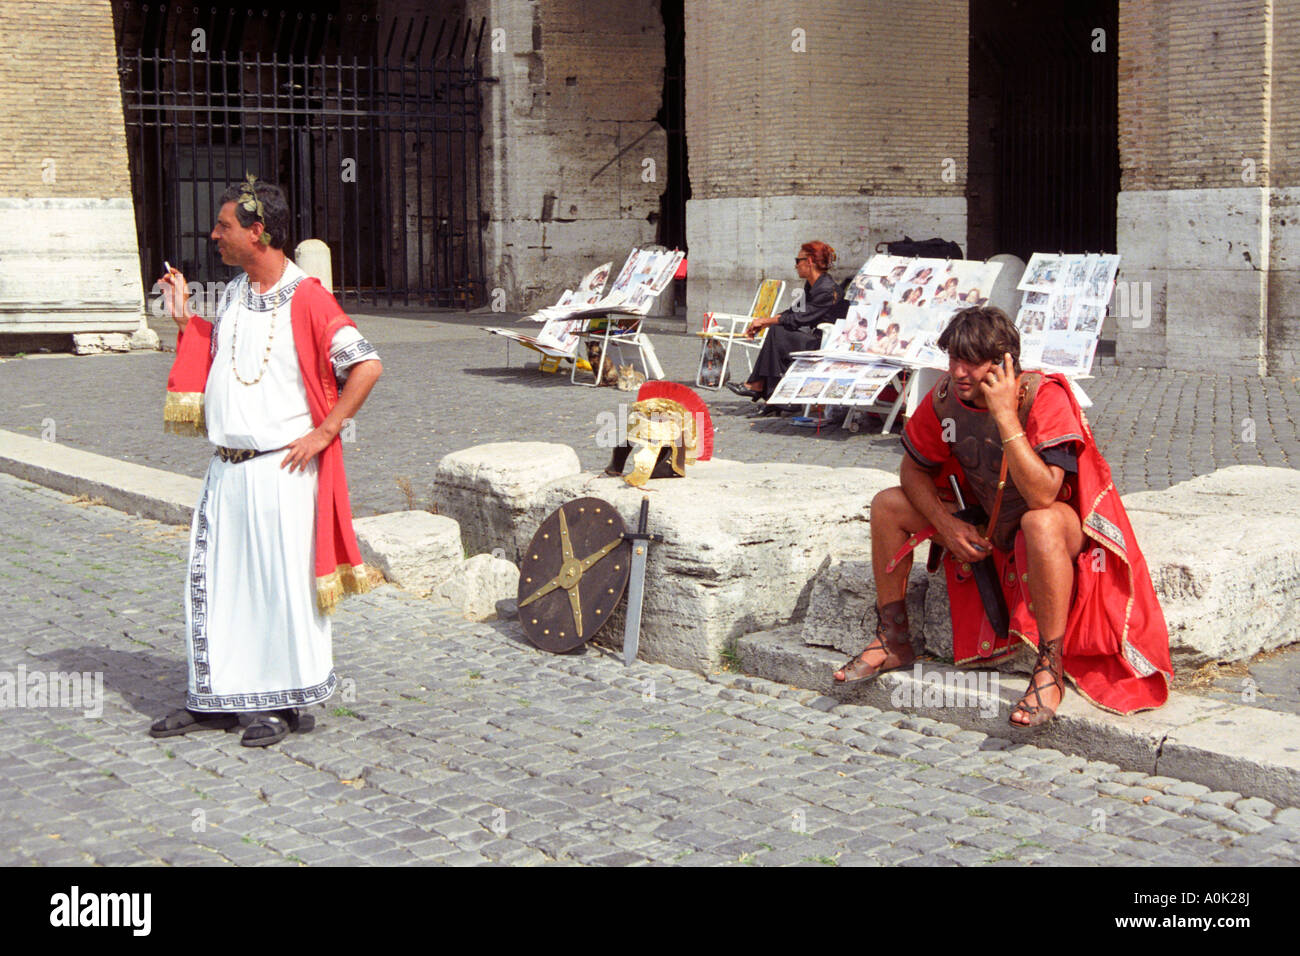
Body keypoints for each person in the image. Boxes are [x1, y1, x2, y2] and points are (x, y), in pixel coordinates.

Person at [832, 306, 1171, 727]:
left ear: (1004, 364)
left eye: (971, 361)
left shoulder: (1042, 396)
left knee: (1039, 521)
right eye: (954, 358)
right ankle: (894, 638)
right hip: (986, 524)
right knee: (888, 504)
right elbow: (913, 468)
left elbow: (1044, 493)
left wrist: (1006, 415)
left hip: (1050, 532)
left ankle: (1050, 666)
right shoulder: (944, 399)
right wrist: (945, 524)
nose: (958, 371)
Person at [150, 175, 383, 747]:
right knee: (219, 585)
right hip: (225, 470)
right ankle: (215, 698)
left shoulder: (308, 296)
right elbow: (226, 354)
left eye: (225, 226)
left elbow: (367, 365)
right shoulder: (234, 292)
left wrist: (327, 431)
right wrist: (184, 318)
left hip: (282, 471)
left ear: (258, 231)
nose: (214, 235)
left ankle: (279, 703)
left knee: (278, 588)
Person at [726, 241, 842, 414]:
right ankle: (767, 393)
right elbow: (794, 310)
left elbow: (799, 318)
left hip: (825, 342)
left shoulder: (826, 289)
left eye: (798, 260)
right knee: (777, 332)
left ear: (809, 261)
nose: (795, 265)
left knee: (778, 332)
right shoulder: (813, 284)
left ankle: (760, 387)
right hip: (814, 336)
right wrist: (764, 321)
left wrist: (766, 322)